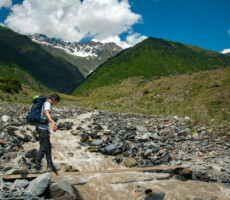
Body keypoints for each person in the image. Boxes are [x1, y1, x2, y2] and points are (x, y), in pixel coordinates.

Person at [34, 94, 60, 172]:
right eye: (56, 102)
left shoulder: (44, 103)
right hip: (42, 128)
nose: (55, 104)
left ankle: (50, 164)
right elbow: (46, 112)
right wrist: (52, 123)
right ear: (54, 99)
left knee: (48, 146)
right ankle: (37, 165)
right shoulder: (47, 104)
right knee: (44, 147)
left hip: (41, 127)